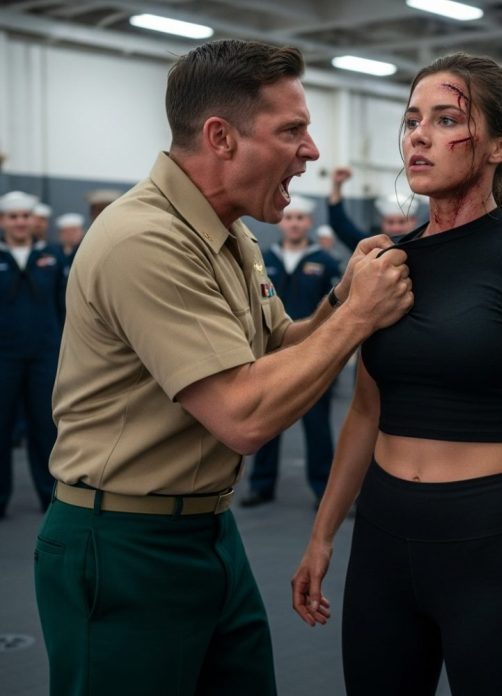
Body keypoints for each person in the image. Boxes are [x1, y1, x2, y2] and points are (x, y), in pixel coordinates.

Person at [34, 39, 412, 696]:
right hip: (123, 543)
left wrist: (341, 298)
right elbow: (243, 416)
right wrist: (357, 319)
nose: (311, 150)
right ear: (221, 137)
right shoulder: (144, 240)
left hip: (207, 530)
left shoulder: (228, 231)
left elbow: (279, 350)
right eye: (291, 130)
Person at [293, 53, 502, 696]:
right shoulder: (387, 264)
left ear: (500, 145)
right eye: (413, 120)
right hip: (382, 535)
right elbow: (365, 411)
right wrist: (322, 534)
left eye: (445, 120)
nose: (419, 136)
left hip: (487, 541)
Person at [240, 195, 341, 508]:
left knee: (317, 425)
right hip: (271, 355)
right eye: (290, 217)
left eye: (300, 218)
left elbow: (337, 309)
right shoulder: (261, 259)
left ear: (308, 222)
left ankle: (323, 488)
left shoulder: (325, 262)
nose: (295, 223)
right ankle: (262, 484)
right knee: (267, 421)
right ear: (282, 221)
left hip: (314, 356)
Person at [0, 190, 64, 518]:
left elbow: (63, 307)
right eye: (13, 217)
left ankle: (50, 496)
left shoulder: (51, 257)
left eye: (25, 216)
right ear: (3, 221)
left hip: (44, 356)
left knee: (45, 429)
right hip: (4, 358)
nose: (20, 222)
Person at [328, 165, 420, 250]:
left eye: (402, 222)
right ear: (382, 222)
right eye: (390, 222)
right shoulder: (372, 247)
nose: (396, 228)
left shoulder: (422, 247)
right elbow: (340, 225)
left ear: (413, 221)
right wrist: (337, 185)